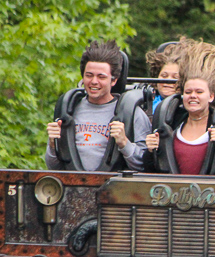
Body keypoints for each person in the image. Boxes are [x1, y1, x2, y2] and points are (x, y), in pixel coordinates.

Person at [45, 40, 151, 171]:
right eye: (89, 75)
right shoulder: (69, 110)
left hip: (114, 187)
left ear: (114, 80)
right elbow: (52, 166)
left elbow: (144, 166)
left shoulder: (132, 114)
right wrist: (52, 145)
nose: (94, 81)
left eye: (101, 77)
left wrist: (124, 143)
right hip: (74, 186)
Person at [144, 40, 215, 174]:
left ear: (211, 96)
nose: (193, 96)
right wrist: (150, 151)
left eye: (199, 92)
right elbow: (150, 169)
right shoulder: (171, 121)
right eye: (188, 92)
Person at [145, 39, 192, 112]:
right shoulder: (145, 104)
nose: (168, 81)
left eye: (175, 77)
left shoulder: (191, 108)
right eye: (164, 76)